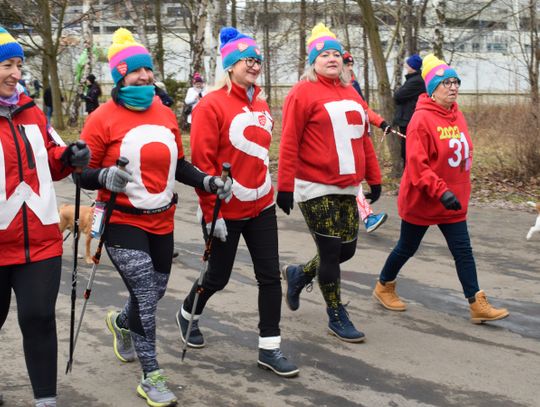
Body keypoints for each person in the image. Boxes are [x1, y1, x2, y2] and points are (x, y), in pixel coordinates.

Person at [78, 28, 231, 407]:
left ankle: (121, 323)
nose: (145, 76)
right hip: (121, 220)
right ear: (120, 76)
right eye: (136, 72)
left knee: (155, 290)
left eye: (148, 70)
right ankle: (152, 376)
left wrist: (208, 181)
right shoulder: (101, 118)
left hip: (162, 219)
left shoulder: (163, 113)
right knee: (146, 292)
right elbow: (80, 173)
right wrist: (102, 176)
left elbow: (177, 164)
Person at [176, 26, 299, 378]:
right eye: (247, 59)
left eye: (258, 60)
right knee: (218, 276)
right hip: (223, 211)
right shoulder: (209, 106)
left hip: (261, 206)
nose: (254, 65)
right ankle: (187, 313)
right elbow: (201, 164)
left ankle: (269, 348)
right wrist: (209, 213)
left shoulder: (260, 103)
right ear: (229, 65)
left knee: (269, 276)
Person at [372, 54, 509, 324]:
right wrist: (441, 191)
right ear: (432, 89)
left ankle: (476, 303)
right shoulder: (420, 120)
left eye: (456, 81)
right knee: (406, 247)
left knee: (463, 250)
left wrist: (456, 190)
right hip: (424, 198)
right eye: (446, 82)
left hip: (453, 201)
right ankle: (383, 286)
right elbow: (417, 166)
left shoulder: (457, 116)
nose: (453, 87)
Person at [0, 26, 91, 407]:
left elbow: (53, 159)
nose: (16, 74)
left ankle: (46, 401)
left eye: (19, 65)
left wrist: (70, 157)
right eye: (7, 64)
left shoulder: (31, 112)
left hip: (40, 241)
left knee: (38, 317)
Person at [277, 23, 383, 343]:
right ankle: (336, 314)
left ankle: (300, 274)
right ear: (313, 61)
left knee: (346, 250)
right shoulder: (301, 93)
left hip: (348, 186)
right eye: (325, 54)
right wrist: (284, 185)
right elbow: (289, 141)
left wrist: (374, 179)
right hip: (314, 186)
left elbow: (363, 139)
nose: (332, 58)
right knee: (331, 250)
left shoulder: (351, 93)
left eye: (337, 53)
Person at [343, 51, 388, 233]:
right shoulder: (338, 88)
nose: (350, 68)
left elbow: (364, 109)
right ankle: (367, 216)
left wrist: (381, 122)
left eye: (352, 65)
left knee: (353, 181)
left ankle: (362, 214)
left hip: (358, 137)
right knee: (351, 181)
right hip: (341, 143)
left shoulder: (353, 84)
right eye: (347, 64)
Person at [392, 53, 426, 166]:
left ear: (413, 67)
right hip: (405, 120)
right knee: (405, 150)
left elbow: (398, 96)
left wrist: (398, 94)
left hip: (409, 120)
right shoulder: (412, 80)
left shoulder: (416, 81)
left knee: (408, 151)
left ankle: (410, 177)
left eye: (408, 65)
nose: (406, 67)